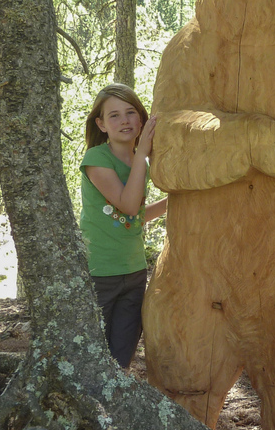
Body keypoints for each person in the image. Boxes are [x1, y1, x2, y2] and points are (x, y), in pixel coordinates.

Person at [79, 83, 167, 369]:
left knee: (121, 357)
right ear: (101, 124)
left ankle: (113, 412)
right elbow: (128, 205)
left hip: (134, 272)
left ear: (141, 120)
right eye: (114, 115)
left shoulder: (139, 162)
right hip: (100, 272)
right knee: (93, 358)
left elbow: (135, 217)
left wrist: (175, 201)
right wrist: (142, 154)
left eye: (130, 112)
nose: (125, 120)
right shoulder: (96, 159)